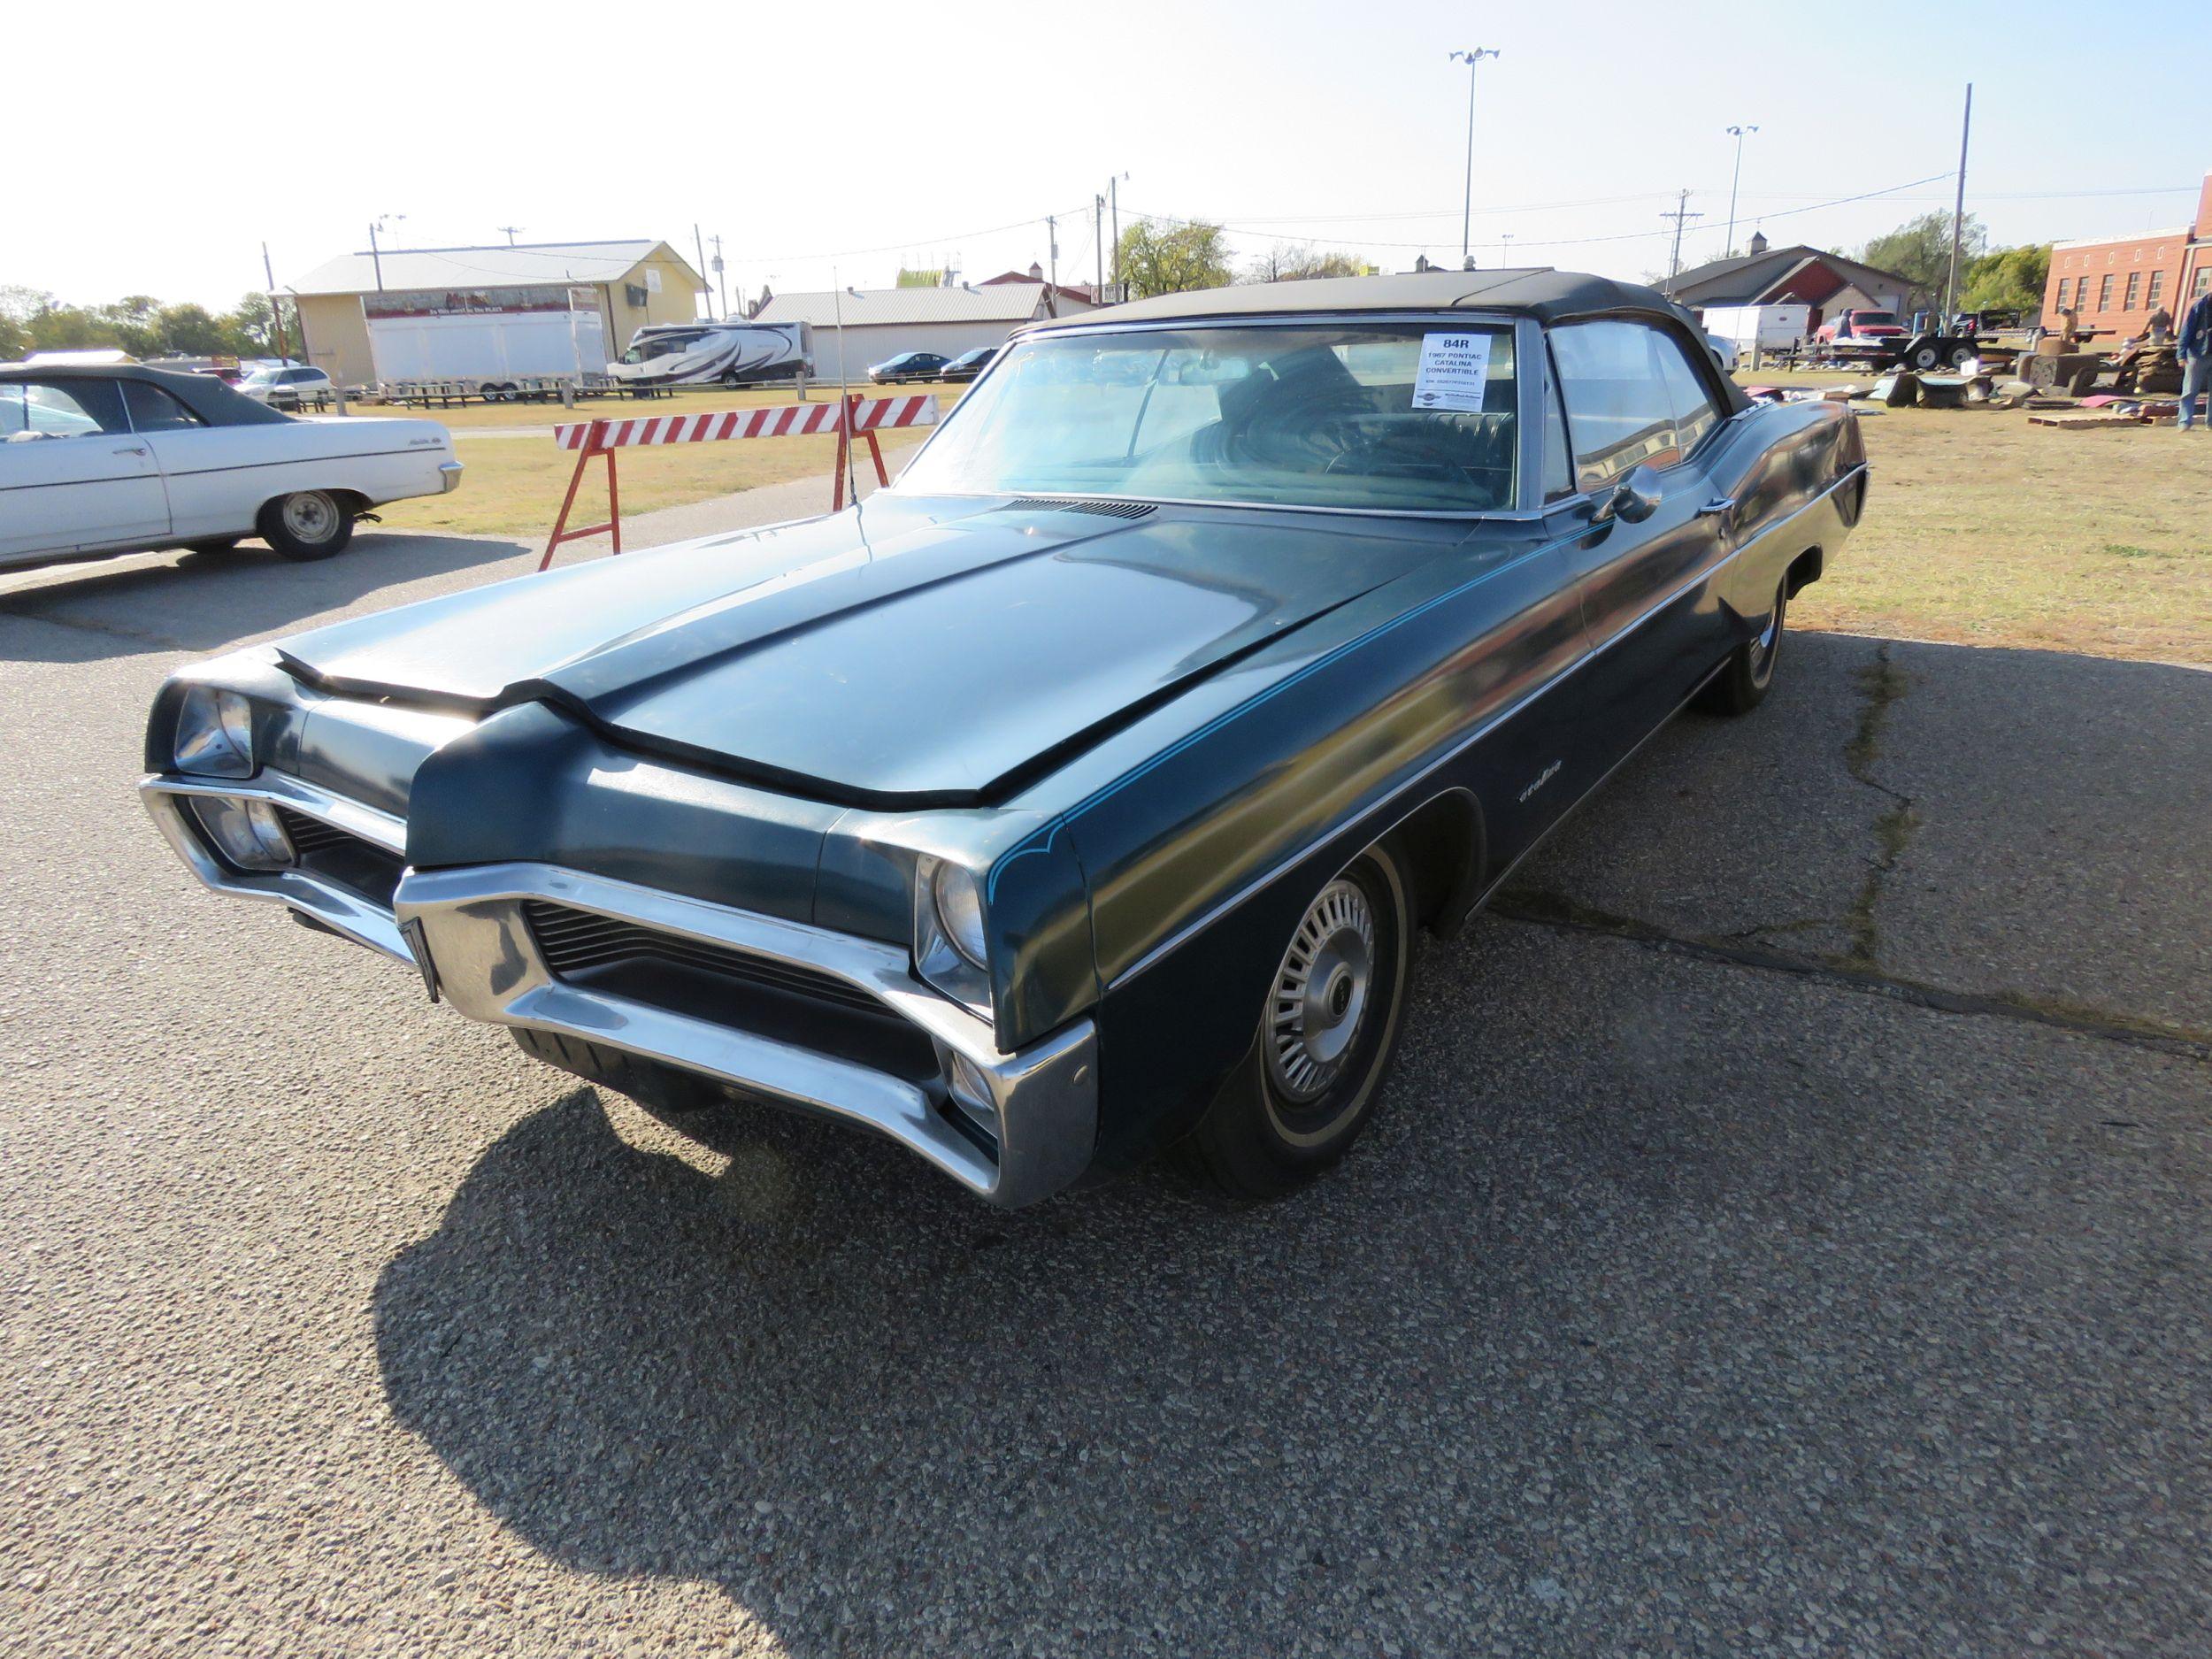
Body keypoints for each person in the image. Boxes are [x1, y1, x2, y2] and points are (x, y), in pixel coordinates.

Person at [2180, 288, 2212, 432]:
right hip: (2197, 353)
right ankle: (2185, 422)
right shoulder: (2200, 305)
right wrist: (2181, 354)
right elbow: (2187, 330)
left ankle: (2210, 423)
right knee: (2190, 389)